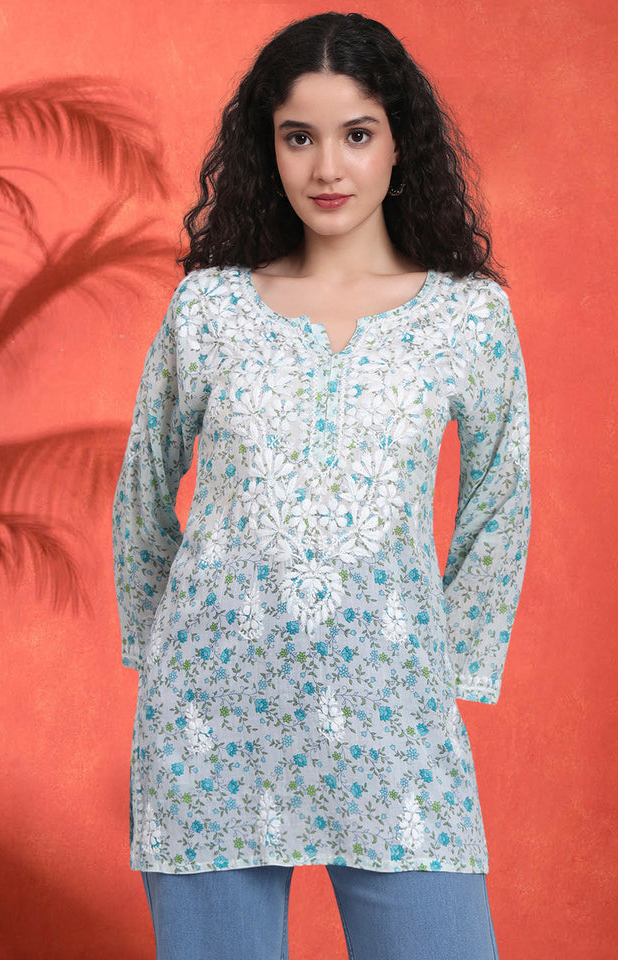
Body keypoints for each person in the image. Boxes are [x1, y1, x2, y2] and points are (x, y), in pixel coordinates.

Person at [112, 11, 531, 960]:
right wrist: (163, 646)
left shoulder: (467, 316)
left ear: (399, 143)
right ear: (269, 148)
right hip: (212, 720)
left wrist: (447, 669)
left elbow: (500, 498)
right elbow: (143, 489)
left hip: (392, 719)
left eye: (357, 134)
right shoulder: (211, 307)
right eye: (299, 137)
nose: (327, 168)